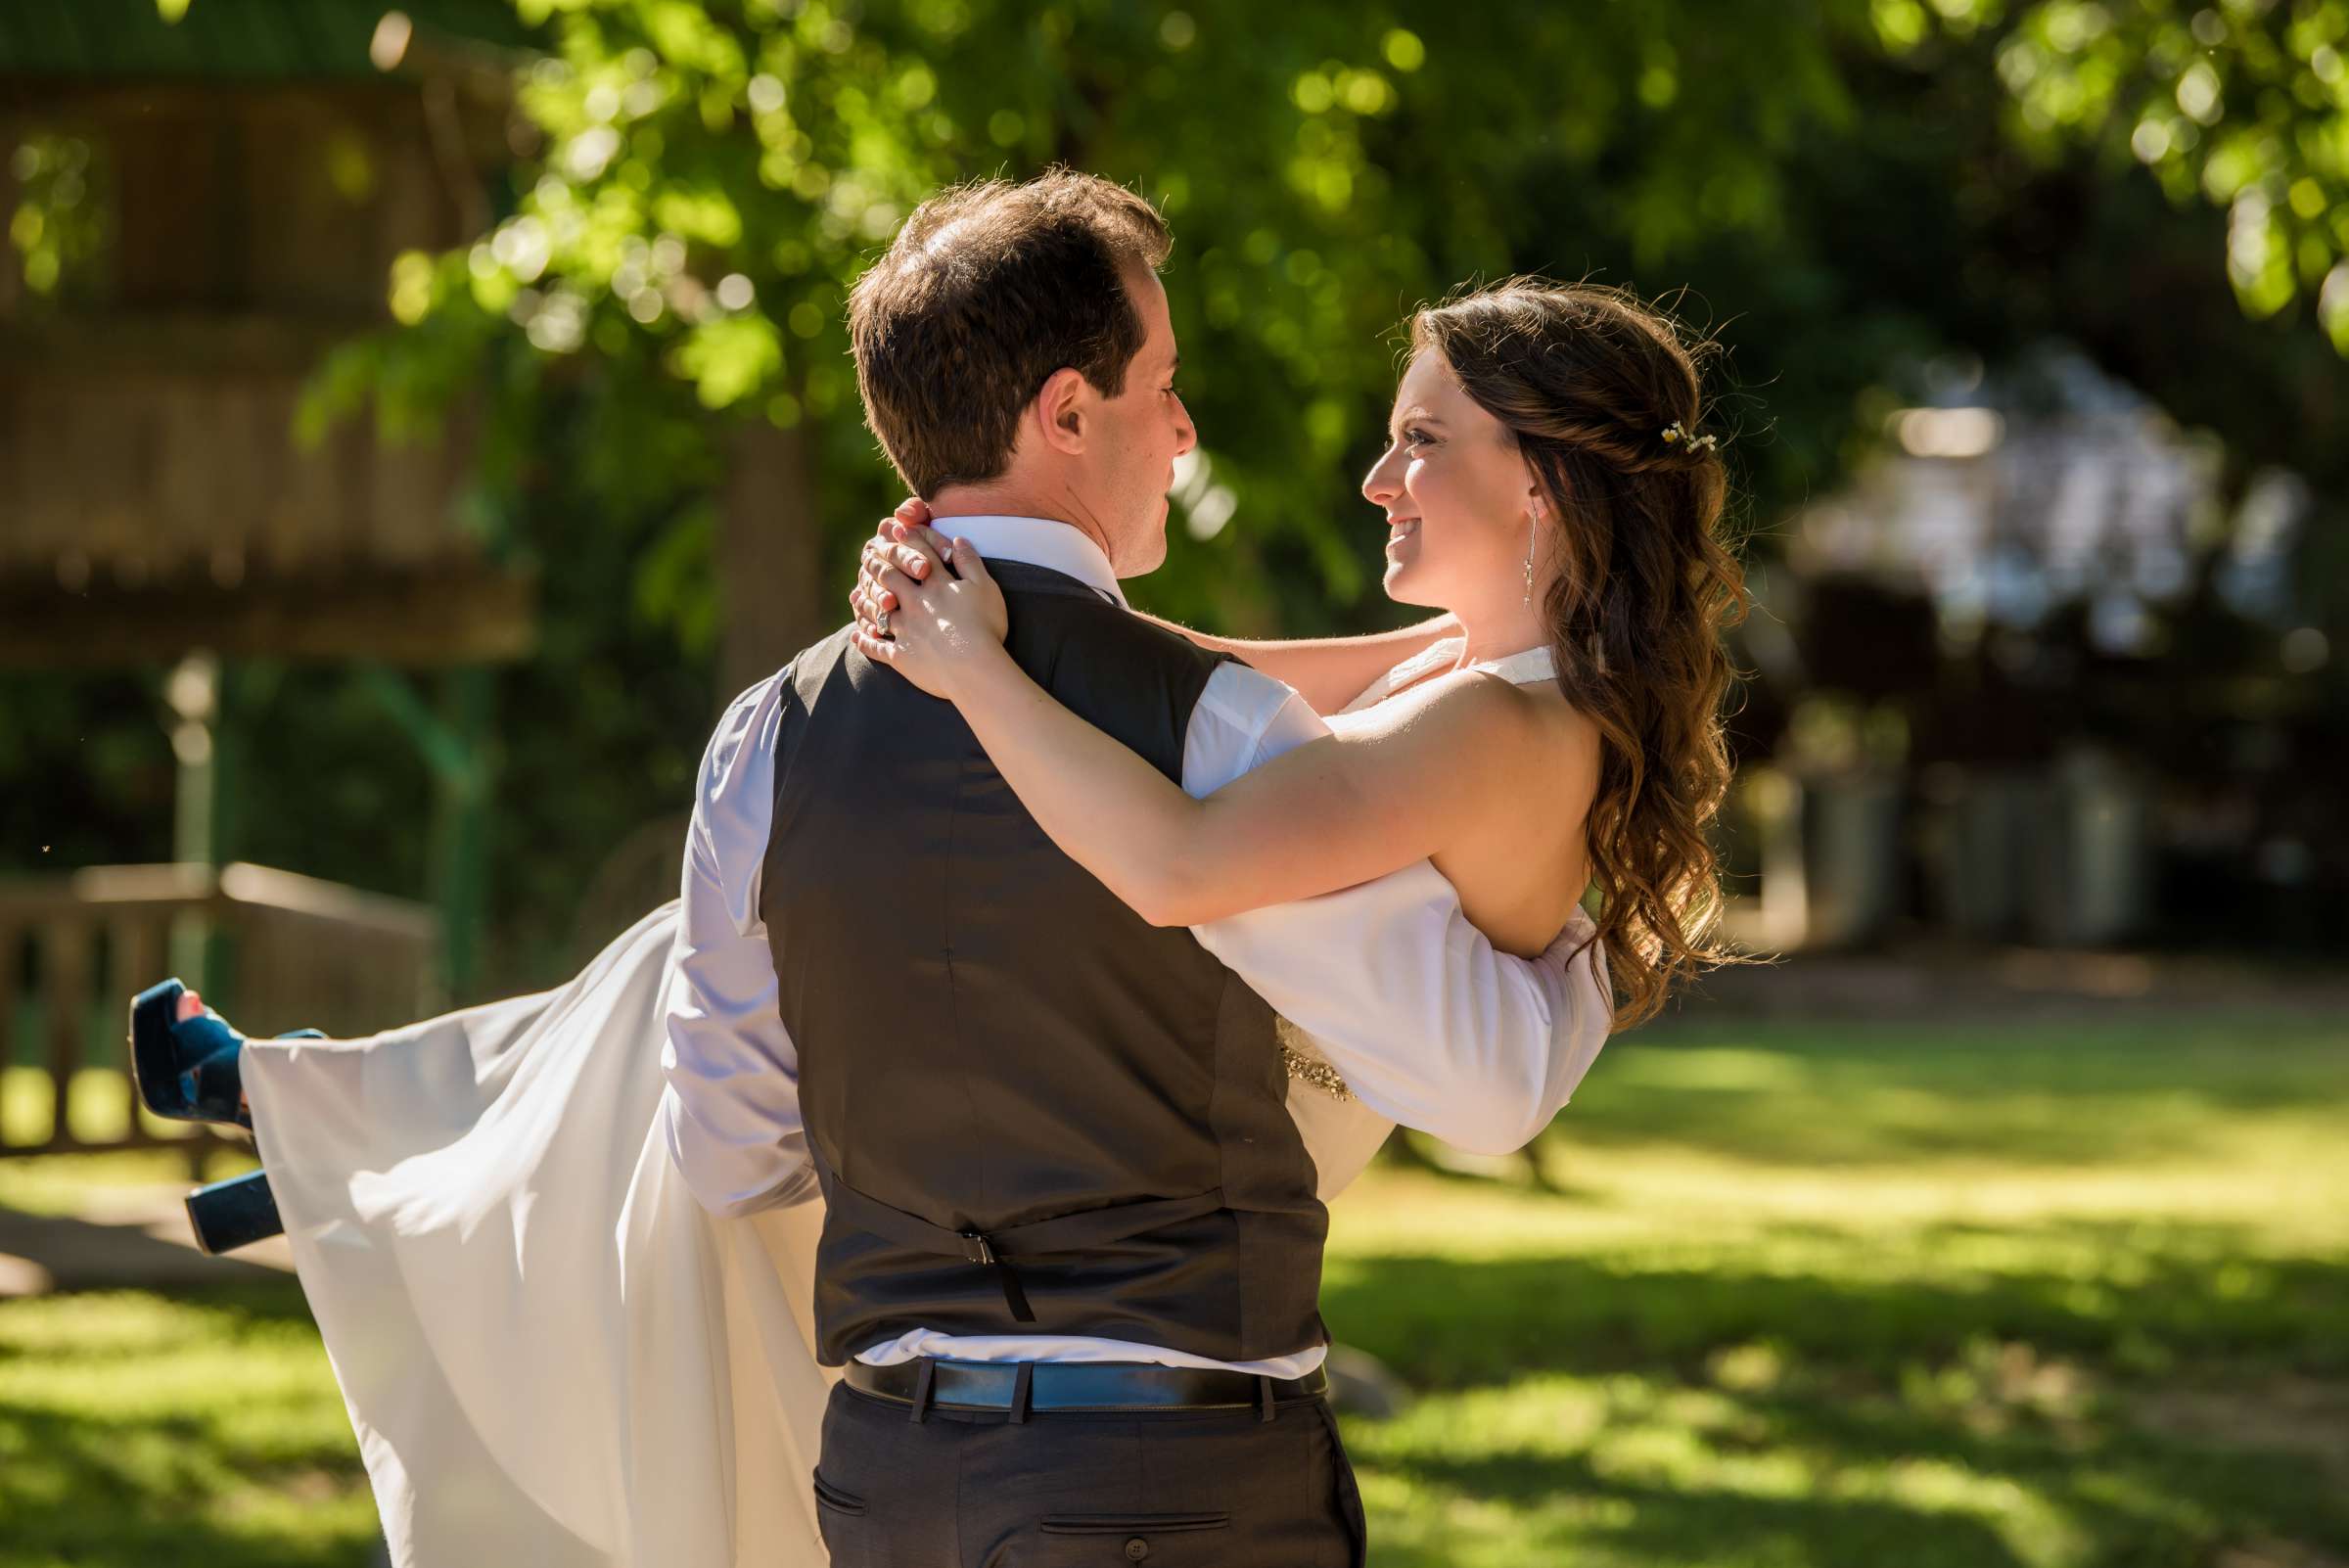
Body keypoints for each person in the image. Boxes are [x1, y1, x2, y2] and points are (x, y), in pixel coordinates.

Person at [126, 172, 1643, 1568]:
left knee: (657, 972)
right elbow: (1459, 1065)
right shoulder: (1228, 738)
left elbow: (723, 1153)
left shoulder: (769, 738)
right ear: (1066, 411)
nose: (1183, 434)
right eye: (1163, 390)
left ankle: (342, 1118)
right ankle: (335, 1113)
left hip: (890, 1479)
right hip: (1172, 1485)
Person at [851, 275, 1747, 1033]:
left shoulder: (1494, 725)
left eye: (1421, 441)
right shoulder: (1501, 668)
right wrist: (977, 576)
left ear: (1542, 481)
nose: (1376, 480)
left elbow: (1177, 869)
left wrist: (972, 666)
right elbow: (1207, 661)